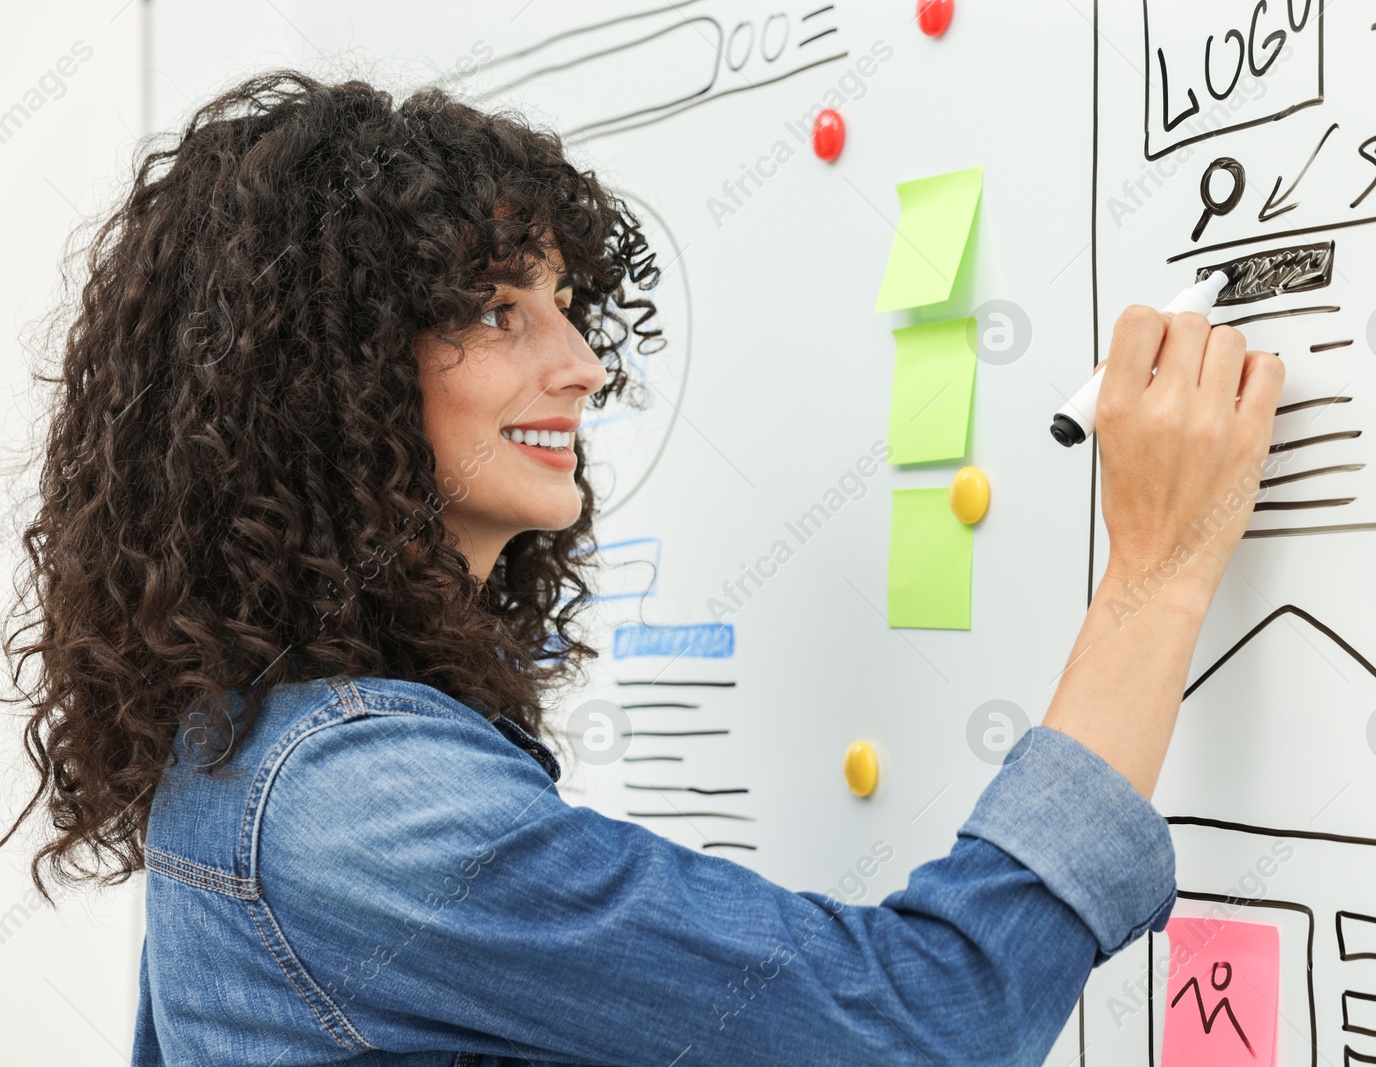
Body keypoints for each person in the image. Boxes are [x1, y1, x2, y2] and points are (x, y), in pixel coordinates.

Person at [1, 70, 1283, 1066]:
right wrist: (1159, 571)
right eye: (498, 311)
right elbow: (926, 1021)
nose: (584, 364)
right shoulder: (359, 800)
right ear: (322, 380)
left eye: (565, 303)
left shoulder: (255, 737)